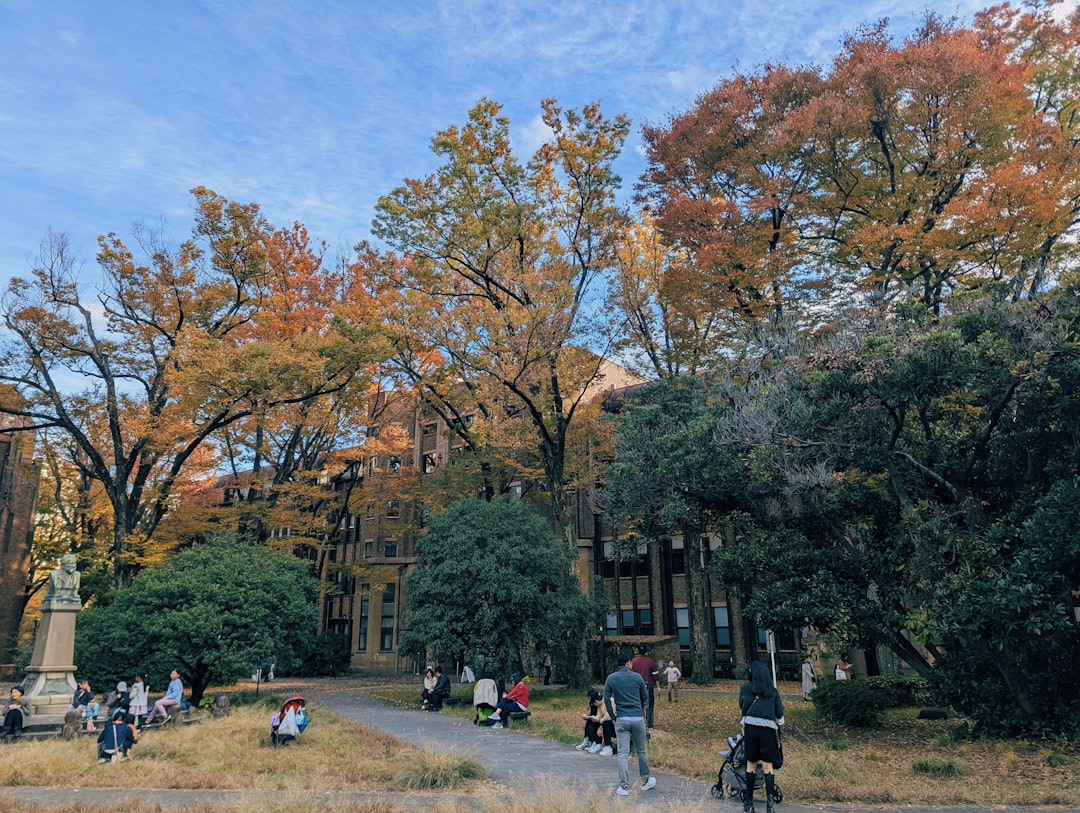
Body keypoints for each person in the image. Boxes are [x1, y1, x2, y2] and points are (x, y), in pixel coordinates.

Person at [604, 649, 656, 796]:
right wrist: (640, 708)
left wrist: (613, 717)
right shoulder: (637, 677)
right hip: (637, 717)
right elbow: (645, 698)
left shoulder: (611, 678)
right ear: (628, 662)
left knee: (622, 753)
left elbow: (607, 698)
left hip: (621, 718)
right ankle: (645, 780)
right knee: (641, 751)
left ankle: (624, 787)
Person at [739, 661, 785, 813]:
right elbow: (779, 712)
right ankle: (770, 805)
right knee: (768, 766)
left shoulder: (746, 688)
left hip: (751, 729)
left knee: (751, 764)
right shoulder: (772, 691)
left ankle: (749, 803)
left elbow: (742, 706)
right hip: (768, 731)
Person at [576, 688, 615, 755]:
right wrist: (590, 717)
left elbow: (609, 716)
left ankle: (608, 747)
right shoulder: (600, 706)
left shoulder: (609, 701)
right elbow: (598, 716)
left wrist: (601, 725)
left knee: (605, 723)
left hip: (615, 723)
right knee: (592, 721)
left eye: (594, 703)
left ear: (596, 701)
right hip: (606, 722)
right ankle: (597, 743)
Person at [630, 645, 659, 729]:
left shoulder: (633, 661)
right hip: (648, 686)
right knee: (649, 705)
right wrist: (658, 686)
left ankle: (638, 722)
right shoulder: (650, 661)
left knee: (637, 704)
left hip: (636, 687)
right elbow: (655, 674)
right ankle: (649, 724)